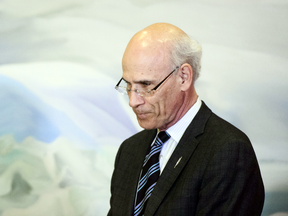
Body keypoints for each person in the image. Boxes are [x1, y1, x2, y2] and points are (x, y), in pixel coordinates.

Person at [108, 23, 265, 216]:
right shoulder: (129, 151)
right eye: (129, 85)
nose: (133, 101)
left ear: (183, 77)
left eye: (146, 85)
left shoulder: (229, 151)